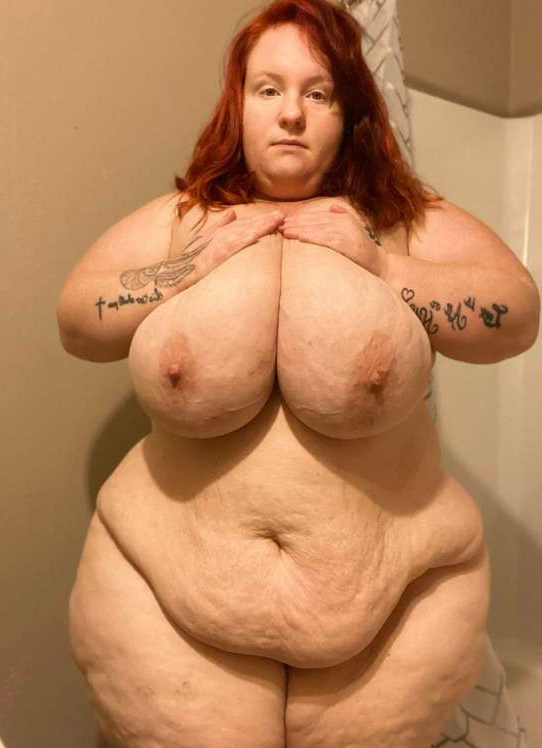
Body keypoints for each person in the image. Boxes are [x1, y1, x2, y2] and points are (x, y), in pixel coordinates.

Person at [56, 1, 540, 746]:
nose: (291, 113)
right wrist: (186, 269)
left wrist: (384, 266)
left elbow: (517, 314)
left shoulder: (398, 218)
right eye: (269, 89)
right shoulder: (187, 217)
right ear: (239, 104)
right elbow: (76, 321)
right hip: (161, 596)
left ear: (350, 114)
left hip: (396, 610)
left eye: (319, 93)